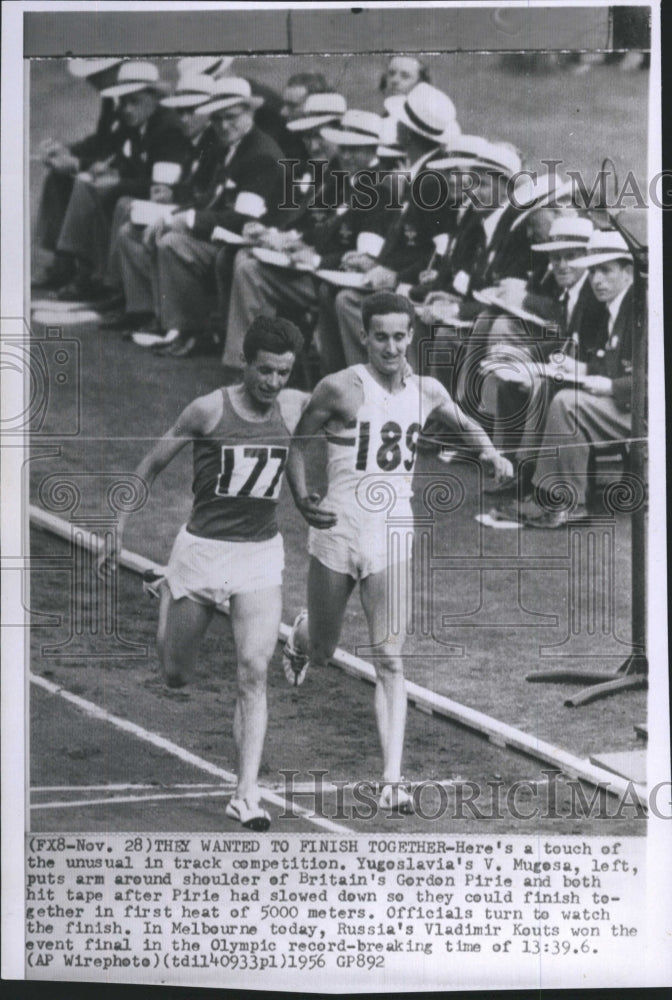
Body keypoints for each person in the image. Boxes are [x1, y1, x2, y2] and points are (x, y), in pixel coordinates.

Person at [283, 292, 512, 811]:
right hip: (338, 528)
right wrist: (301, 499)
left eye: (400, 336)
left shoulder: (426, 390)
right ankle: (298, 634)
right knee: (323, 649)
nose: (391, 346)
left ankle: (392, 780)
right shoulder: (338, 388)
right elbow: (297, 445)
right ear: (365, 336)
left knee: (389, 655)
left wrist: (492, 453)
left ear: (412, 336)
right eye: (380, 336)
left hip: (391, 531)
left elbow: (464, 422)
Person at [101, 316, 306, 828]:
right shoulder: (208, 410)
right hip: (202, 554)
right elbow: (151, 464)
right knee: (175, 675)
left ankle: (245, 794)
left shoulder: (297, 406)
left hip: (259, 555)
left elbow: (297, 444)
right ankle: (169, 589)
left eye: (283, 373)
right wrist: (118, 524)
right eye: (265, 372)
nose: (273, 383)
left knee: (253, 672)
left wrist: (304, 497)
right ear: (244, 361)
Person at [135, 77, 286, 357]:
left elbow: (241, 218)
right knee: (168, 236)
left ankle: (193, 331)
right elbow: (208, 199)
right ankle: (176, 327)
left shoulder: (260, 154)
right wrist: (174, 215)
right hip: (228, 237)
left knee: (173, 243)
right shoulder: (230, 147)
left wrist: (186, 220)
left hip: (251, 242)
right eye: (216, 119)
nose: (223, 126)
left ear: (249, 113)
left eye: (230, 117)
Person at [519, 230, 636, 528]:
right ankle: (532, 484)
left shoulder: (643, 309)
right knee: (551, 386)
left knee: (567, 403)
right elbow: (603, 360)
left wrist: (609, 385)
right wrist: (575, 369)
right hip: (624, 403)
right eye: (593, 269)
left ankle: (566, 501)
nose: (597, 279)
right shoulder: (610, 307)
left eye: (606, 270)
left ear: (628, 271)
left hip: (643, 411)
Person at [54, 61, 191, 302]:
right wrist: (107, 171)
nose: (126, 109)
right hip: (140, 189)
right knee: (89, 184)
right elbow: (119, 156)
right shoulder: (136, 121)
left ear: (154, 97)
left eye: (134, 101)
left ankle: (107, 282)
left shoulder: (167, 129)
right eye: (124, 101)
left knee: (114, 198)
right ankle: (86, 271)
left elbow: (161, 187)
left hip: (171, 200)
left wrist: (117, 183)